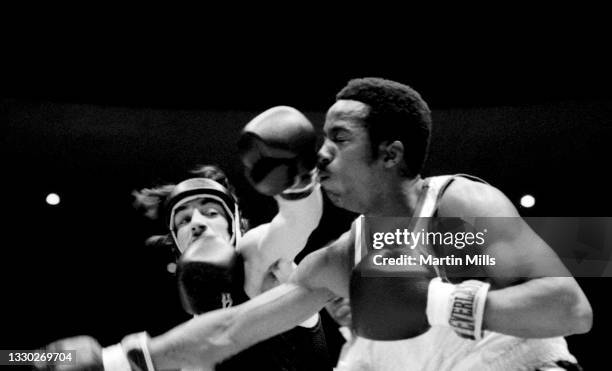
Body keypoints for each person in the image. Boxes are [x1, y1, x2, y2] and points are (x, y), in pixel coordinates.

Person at [41, 79, 593, 371]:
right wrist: (117, 360)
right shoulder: (337, 259)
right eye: (320, 138)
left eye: (341, 138)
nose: (322, 153)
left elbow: (570, 308)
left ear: (390, 153)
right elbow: (231, 330)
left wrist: (437, 303)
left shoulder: (454, 207)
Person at [37, 107, 334, 371]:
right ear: (176, 244)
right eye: (183, 219)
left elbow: (296, 222)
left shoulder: (254, 257)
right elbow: (12, 357)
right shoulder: (190, 333)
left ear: (235, 228)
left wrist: (297, 181)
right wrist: (23, 358)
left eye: (211, 212)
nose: (197, 223)